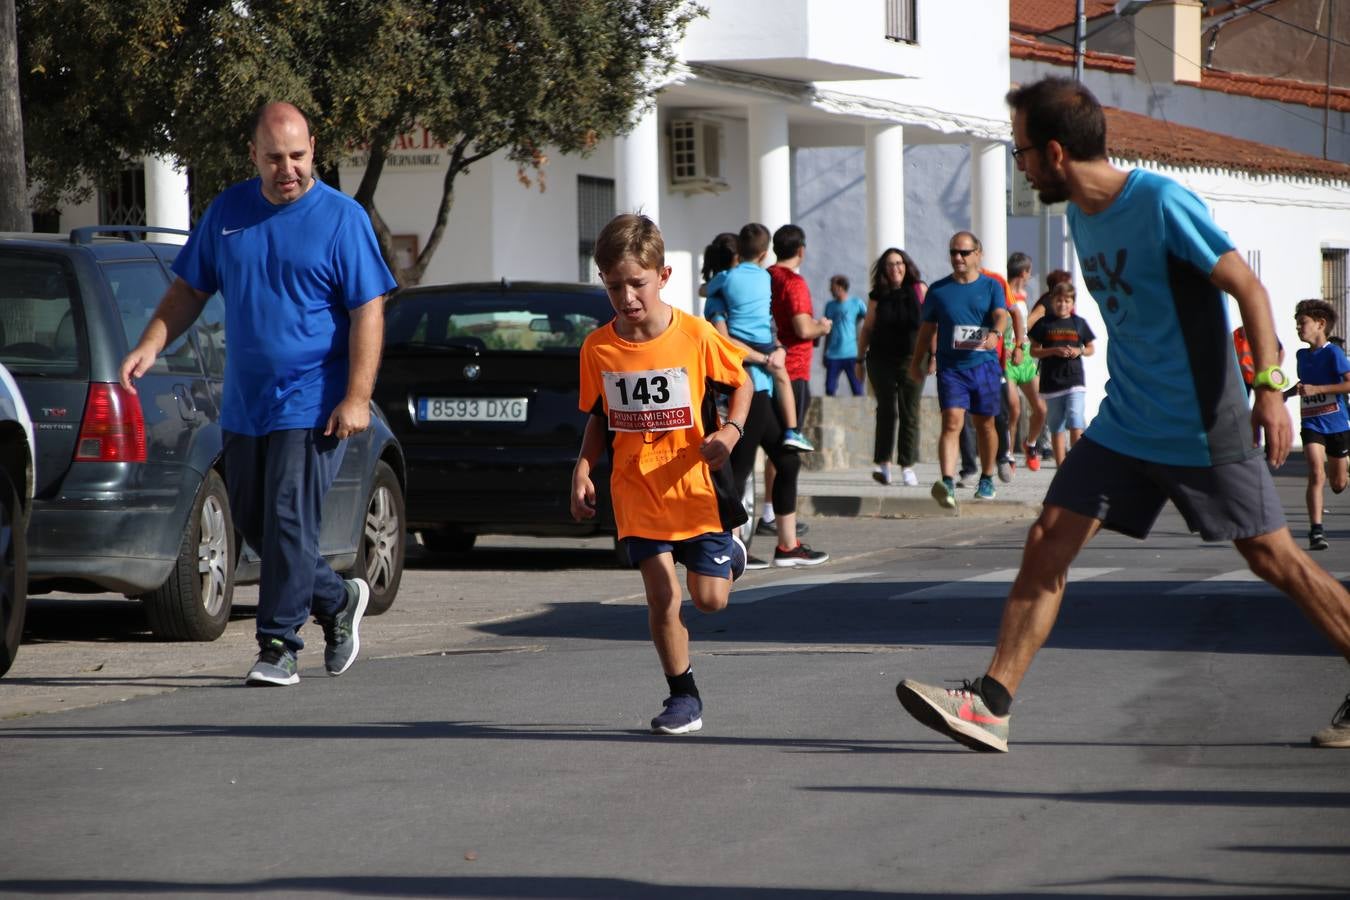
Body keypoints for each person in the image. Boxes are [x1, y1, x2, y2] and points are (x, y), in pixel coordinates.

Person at [896, 75, 1350, 752]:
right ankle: (991, 702)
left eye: (1020, 152)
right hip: (1126, 421)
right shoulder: (1080, 214)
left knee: (1273, 558)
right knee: (1048, 537)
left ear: (1053, 153)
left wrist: (1267, 386)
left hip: (1201, 422)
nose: (1018, 165)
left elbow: (1247, 288)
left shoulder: (1161, 203)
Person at [120, 101, 395, 686]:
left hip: (315, 398)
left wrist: (356, 396)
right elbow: (190, 289)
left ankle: (278, 645)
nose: (287, 168)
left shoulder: (342, 220)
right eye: (274, 158)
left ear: (314, 149)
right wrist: (150, 342)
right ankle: (338, 598)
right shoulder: (227, 213)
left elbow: (368, 310)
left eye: (297, 156)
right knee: (254, 520)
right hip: (247, 402)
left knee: (291, 516)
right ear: (254, 156)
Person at [571, 213, 754, 735]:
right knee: (661, 595)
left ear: (664, 276)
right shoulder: (598, 348)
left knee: (709, 599)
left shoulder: (695, 335)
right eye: (613, 286)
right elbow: (600, 417)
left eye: (637, 283)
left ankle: (731, 550)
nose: (626, 297)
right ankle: (683, 698)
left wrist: (732, 433)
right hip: (637, 487)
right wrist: (582, 469)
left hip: (695, 485)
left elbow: (742, 384)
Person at [910, 231, 1017, 509]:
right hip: (951, 368)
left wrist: (996, 332)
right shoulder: (938, 290)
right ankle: (946, 482)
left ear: (977, 254)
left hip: (984, 366)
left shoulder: (991, 285)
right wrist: (917, 362)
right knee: (952, 421)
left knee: (985, 424)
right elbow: (927, 330)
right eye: (954, 252)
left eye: (964, 253)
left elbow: (1001, 314)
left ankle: (987, 477)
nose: (958, 257)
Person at [703, 225, 813, 452]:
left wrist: (709, 287)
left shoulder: (727, 277)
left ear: (739, 251)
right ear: (764, 254)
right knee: (782, 376)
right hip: (765, 339)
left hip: (739, 338)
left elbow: (704, 290)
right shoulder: (767, 276)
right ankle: (793, 430)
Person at [856, 248, 927, 486]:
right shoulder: (878, 295)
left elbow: (930, 325)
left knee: (910, 411)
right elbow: (867, 328)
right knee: (886, 410)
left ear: (906, 266)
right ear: (883, 270)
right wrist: (858, 360)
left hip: (913, 359)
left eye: (899, 263)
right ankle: (883, 464)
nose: (895, 268)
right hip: (881, 360)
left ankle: (907, 466)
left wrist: (935, 354)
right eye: (889, 265)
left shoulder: (919, 289)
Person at [1287, 299, 1350, 551]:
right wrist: (1284, 394)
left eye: (1302, 323)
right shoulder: (1301, 355)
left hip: (1336, 423)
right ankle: (1316, 531)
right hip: (1312, 421)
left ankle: (1344, 470)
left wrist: (1320, 389)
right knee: (1315, 472)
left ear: (1320, 324)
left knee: (1337, 483)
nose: (1298, 328)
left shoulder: (1333, 353)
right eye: (1296, 324)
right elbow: (1305, 383)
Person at [1028, 282, 1095, 465]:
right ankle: (1061, 469)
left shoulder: (1079, 323)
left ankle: (1078, 464)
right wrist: (1053, 351)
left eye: (1067, 300)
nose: (1063, 304)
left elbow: (1090, 348)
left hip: (1075, 380)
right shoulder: (1044, 324)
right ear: (1052, 301)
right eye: (1059, 300)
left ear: (1072, 303)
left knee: (1076, 420)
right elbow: (1033, 351)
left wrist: (1079, 351)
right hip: (1052, 383)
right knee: (1056, 427)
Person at [1003, 252, 1047, 472]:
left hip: (1026, 355)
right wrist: (1037, 315)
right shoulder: (1005, 293)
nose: (1030, 276)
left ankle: (1030, 444)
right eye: (1029, 272)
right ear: (1024, 272)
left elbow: (1024, 327)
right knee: (1014, 408)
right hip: (1008, 356)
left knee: (1040, 407)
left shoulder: (1023, 294)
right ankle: (1008, 454)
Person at [822, 275, 867, 397]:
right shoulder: (829, 306)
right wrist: (824, 353)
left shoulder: (856, 303)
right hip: (833, 354)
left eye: (832, 287)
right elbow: (827, 331)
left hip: (851, 353)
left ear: (840, 287)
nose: (830, 290)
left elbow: (869, 321)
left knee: (857, 389)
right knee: (830, 390)